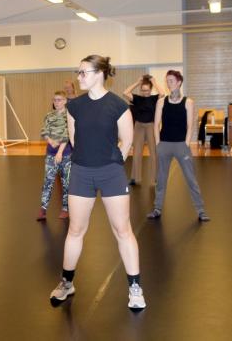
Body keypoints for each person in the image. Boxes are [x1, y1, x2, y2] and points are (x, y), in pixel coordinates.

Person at [50, 55, 146, 310]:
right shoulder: (75, 107)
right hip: (81, 172)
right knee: (75, 230)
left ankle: (135, 287)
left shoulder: (118, 106)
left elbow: (127, 141)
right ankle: (67, 283)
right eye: (78, 72)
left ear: (100, 73)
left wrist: (113, 163)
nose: (79, 77)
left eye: (83, 72)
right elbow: (74, 139)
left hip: (111, 173)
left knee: (122, 230)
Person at [147, 70, 210, 222]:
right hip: (165, 144)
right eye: (167, 81)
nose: (169, 84)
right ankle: (157, 208)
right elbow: (156, 125)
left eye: (171, 81)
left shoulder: (188, 102)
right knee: (161, 179)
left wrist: (187, 143)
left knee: (190, 178)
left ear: (179, 82)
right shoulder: (161, 102)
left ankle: (201, 210)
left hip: (182, 145)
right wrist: (158, 144)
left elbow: (190, 126)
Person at [123, 75, 165, 186]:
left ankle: (155, 178)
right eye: (143, 90)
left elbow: (162, 93)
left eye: (147, 90)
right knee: (136, 152)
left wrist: (154, 82)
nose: (145, 92)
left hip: (151, 126)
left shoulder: (154, 98)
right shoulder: (137, 98)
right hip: (139, 126)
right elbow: (125, 93)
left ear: (150, 89)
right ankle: (134, 178)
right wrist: (137, 83)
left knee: (153, 152)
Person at [37, 91, 71, 221]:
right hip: (51, 153)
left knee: (66, 183)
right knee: (48, 181)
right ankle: (43, 209)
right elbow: (44, 131)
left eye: (59, 100)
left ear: (65, 101)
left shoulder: (69, 116)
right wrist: (51, 141)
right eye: (55, 100)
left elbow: (67, 134)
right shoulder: (49, 115)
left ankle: (65, 208)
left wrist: (60, 152)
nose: (57, 102)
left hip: (66, 154)